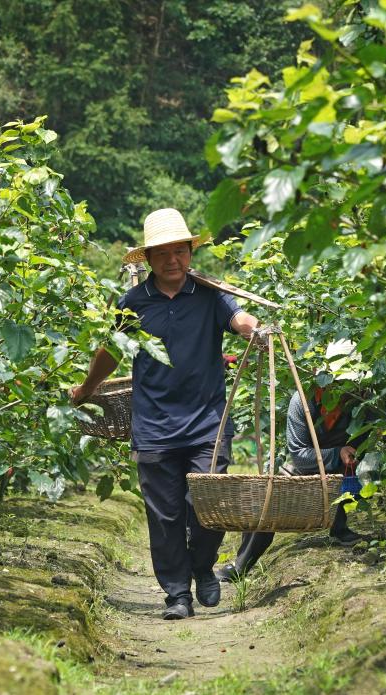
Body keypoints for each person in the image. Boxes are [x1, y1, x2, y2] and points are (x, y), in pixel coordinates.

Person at [70, 208, 259, 620]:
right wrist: (87, 389)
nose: (173, 260)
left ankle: (203, 567)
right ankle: (177, 594)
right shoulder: (133, 302)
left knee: (208, 502)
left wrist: (253, 329)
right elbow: (111, 351)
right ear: (149, 259)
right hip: (154, 425)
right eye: (164, 253)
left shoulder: (209, 293)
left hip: (207, 421)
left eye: (181, 251)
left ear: (190, 253)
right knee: (165, 514)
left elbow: (238, 317)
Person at [217, 382, 373, 582]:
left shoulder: (362, 401)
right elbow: (299, 454)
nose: (341, 386)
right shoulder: (302, 401)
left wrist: (353, 453)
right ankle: (241, 565)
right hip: (307, 464)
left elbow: (372, 436)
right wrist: (337, 453)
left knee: (349, 476)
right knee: (268, 497)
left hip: (346, 466)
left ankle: (339, 527)